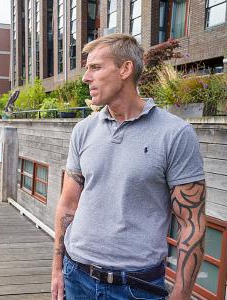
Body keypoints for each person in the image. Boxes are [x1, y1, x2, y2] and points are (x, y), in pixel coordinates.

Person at [51, 34, 206, 300]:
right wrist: (57, 269)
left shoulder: (175, 134)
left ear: (125, 69)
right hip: (76, 275)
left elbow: (192, 224)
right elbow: (67, 205)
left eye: (95, 68)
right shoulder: (83, 130)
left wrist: (181, 294)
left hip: (136, 287)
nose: (86, 77)